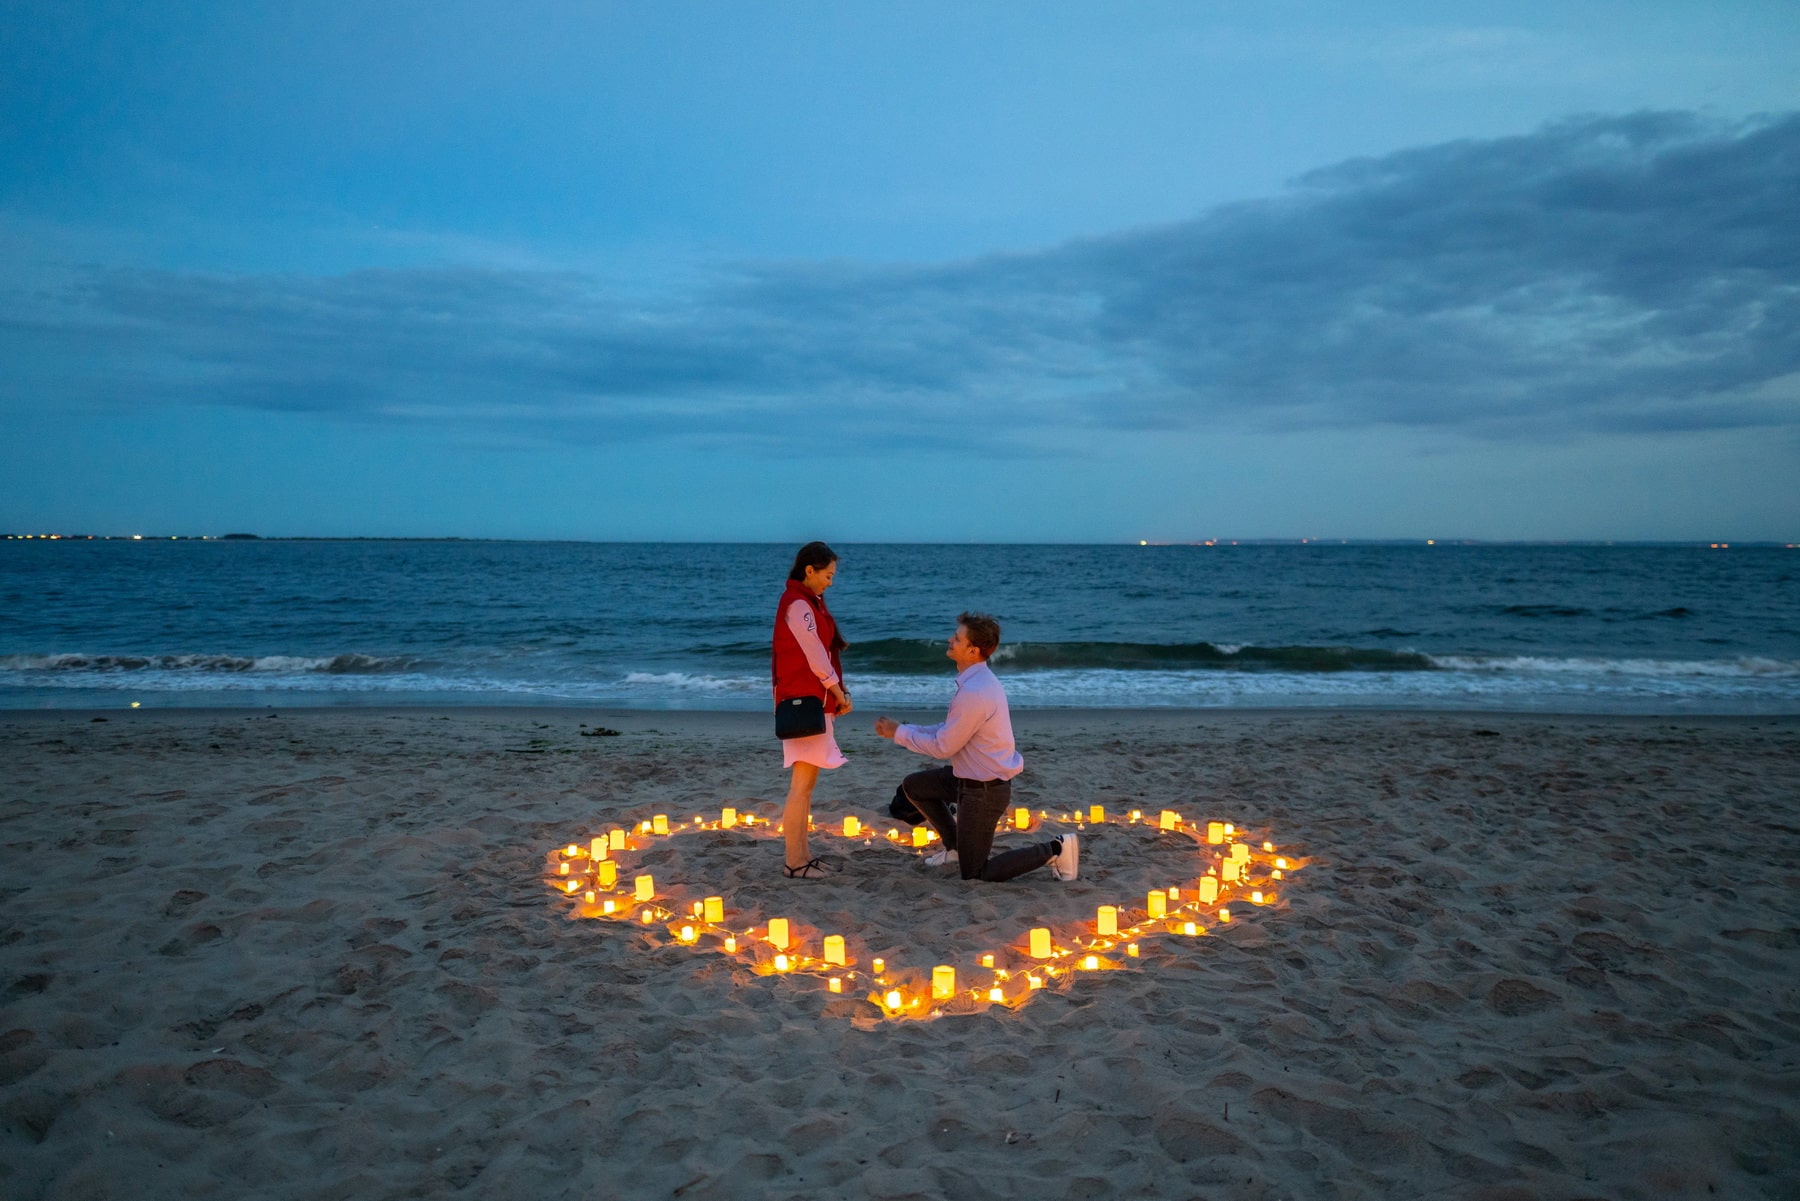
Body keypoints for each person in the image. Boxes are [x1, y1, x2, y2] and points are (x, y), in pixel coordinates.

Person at [874, 612, 1078, 883]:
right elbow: (949, 730)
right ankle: (956, 847)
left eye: (957, 638)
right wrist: (904, 729)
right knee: (915, 786)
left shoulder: (975, 692)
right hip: (966, 779)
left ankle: (1056, 848)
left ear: (973, 649)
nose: (950, 639)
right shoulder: (975, 683)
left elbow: (944, 746)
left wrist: (899, 733)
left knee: (975, 873)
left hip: (983, 791)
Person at [771, 541, 852, 879]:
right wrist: (838, 691)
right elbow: (815, 655)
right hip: (805, 704)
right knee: (801, 787)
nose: (831, 582)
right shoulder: (798, 605)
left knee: (805, 786)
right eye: (828, 575)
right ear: (810, 570)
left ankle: (802, 856)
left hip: (814, 703)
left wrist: (836, 694)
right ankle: (795, 861)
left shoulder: (808, 603)